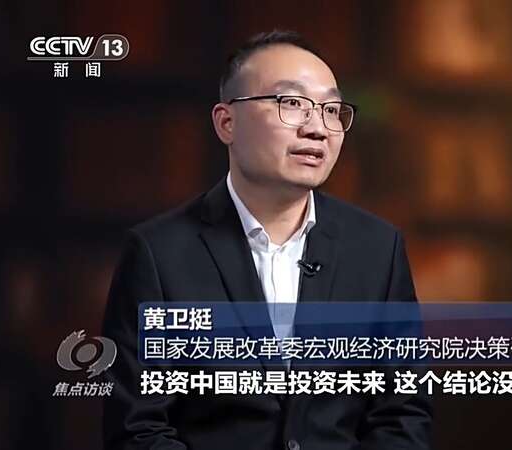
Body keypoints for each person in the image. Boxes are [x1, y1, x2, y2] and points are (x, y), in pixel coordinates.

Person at [102, 30, 432, 450]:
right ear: (227, 122)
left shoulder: (378, 249)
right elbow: (138, 429)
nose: (318, 128)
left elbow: (402, 414)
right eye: (292, 103)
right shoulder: (157, 254)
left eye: (331, 110)